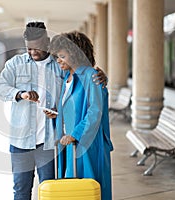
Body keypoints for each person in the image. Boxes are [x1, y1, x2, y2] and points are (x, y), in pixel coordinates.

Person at [0, 22, 107, 200]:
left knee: (50, 190)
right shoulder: (16, 64)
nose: (33, 52)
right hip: (20, 141)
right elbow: (0, 87)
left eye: (37, 47)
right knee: (20, 190)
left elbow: (79, 77)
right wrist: (20, 94)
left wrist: (100, 75)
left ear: (47, 42)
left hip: (48, 143)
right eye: (29, 48)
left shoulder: (60, 65)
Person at [49, 31, 114, 200]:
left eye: (62, 56)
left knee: (89, 189)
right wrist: (56, 116)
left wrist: (75, 134)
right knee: (75, 190)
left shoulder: (91, 75)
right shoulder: (67, 78)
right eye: (57, 56)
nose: (58, 60)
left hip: (86, 142)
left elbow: (95, 111)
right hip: (70, 143)